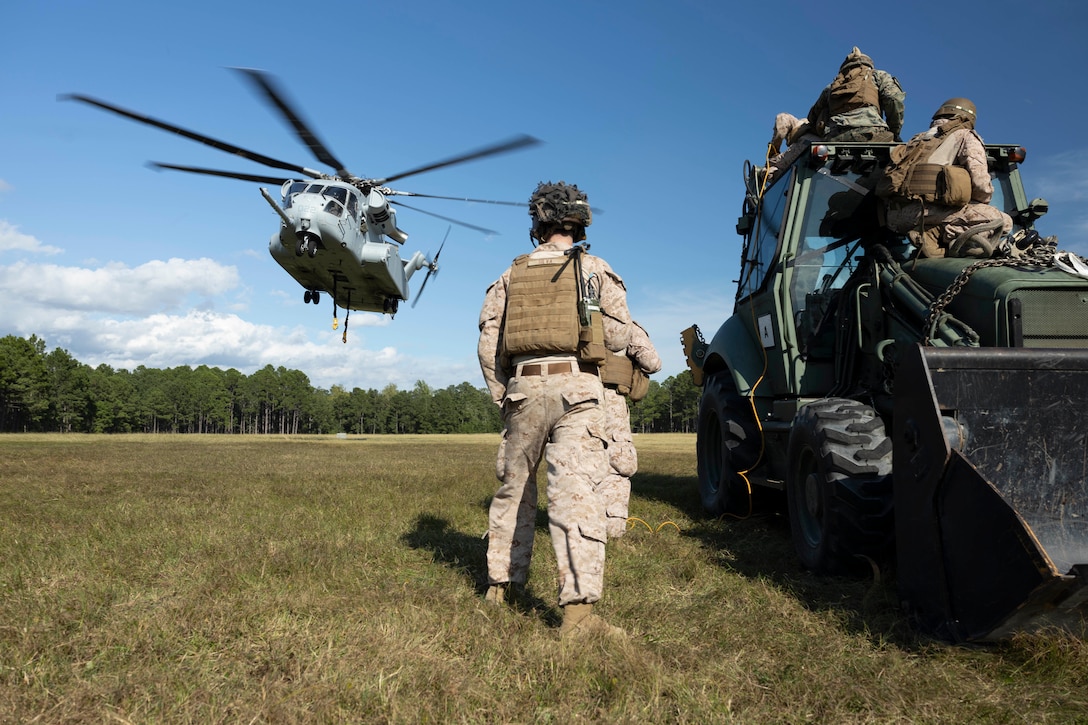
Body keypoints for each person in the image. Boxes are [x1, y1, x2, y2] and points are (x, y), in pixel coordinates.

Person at [478, 181, 632, 638]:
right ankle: (578, 617)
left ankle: (498, 589)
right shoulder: (595, 270)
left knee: (514, 490)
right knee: (575, 494)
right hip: (579, 389)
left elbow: (489, 347)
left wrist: (505, 395)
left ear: (538, 222)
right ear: (580, 221)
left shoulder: (510, 274)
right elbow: (621, 340)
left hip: (523, 388)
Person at [879, 98, 1013, 258]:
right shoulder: (964, 136)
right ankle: (933, 236)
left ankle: (933, 232)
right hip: (925, 212)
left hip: (895, 217)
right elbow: (981, 184)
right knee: (1003, 221)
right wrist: (978, 202)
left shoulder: (916, 141)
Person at [598, 321, 661, 539]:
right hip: (609, 401)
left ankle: (575, 526)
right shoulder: (622, 324)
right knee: (618, 462)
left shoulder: (569, 320)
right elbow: (652, 363)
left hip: (572, 399)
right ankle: (612, 529)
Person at [807, 47, 905, 143]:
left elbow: (813, 116)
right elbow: (893, 99)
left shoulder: (831, 87)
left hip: (834, 137)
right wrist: (894, 131)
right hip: (871, 132)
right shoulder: (877, 75)